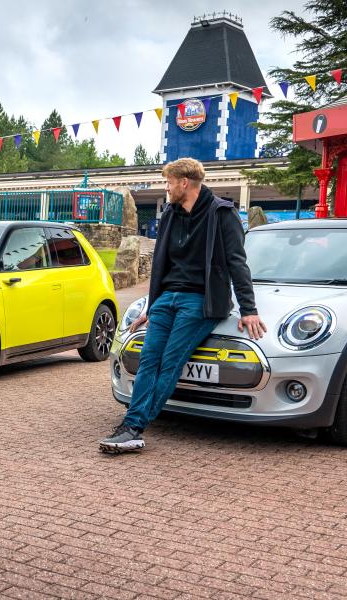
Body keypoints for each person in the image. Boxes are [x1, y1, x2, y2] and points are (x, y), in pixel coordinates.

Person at [99, 158, 266, 453]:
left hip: (200, 302)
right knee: (149, 360)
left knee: (169, 362)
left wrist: (248, 309)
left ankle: (134, 427)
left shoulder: (222, 214)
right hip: (166, 300)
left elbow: (237, 263)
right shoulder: (171, 215)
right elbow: (161, 265)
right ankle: (132, 425)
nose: (166, 188)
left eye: (168, 182)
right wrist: (150, 307)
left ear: (183, 183)